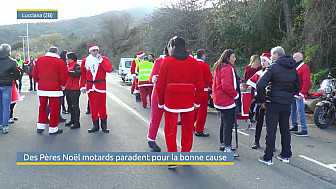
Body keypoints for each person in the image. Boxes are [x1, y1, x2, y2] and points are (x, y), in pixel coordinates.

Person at [156, 36, 203, 168]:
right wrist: (197, 102)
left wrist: (161, 101)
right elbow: (200, 84)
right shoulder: (194, 62)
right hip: (188, 99)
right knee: (188, 129)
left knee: (170, 129)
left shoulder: (167, 61)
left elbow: (160, 84)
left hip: (171, 99)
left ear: (173, 46)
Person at [257, 46, 301, 166]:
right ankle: (286, 154)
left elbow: (260, 85)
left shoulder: (273, 68)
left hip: (273, 102)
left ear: (276, 55)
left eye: (272, 55)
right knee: (285, 129)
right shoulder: (293, 68)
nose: (271, 57)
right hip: (286, 103)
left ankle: (268, 157)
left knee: (271, 131)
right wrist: (289, 95)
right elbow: (298, 86)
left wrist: (263, 100)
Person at [33, 46, 68, 135]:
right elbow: (64, 77)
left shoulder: (40, 60)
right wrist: (63, 86)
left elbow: (34, 74)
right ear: (57, 52)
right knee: (54, 109)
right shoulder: (60, 62)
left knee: (42, 107)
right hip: (55, 88)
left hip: (42, 87)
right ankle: (53, 128)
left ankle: (40, 126)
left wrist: (39, 81)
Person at [212, 49, 240, 158]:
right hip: (226, 100)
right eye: (233, 57)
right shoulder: (227, 68)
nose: (234, 59)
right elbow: (226, 86)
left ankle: (223, 143)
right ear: (228, 58)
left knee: (224, 122)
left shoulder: (219, 66)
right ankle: (228, 147)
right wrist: (235, 95)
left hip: (219, 99)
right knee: (229, 123)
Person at [80, 44, 113, 133]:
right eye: (93, 50)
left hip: (100, 86)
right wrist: (82, 86)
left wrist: (101, 60)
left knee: (102, 106)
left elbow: (109, 69)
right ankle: (95, 125)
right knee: (93, 106)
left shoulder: (103, 59)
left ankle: (104, 125)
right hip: (90, 87)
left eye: (97, 50)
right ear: (90, 51)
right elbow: (82, 75)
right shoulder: (85, 61)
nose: (95, 52)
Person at [245, 53, 271, 149]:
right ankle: (256, 141)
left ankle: (270, 144)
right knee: (259, 122)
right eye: (262, 61)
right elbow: (251, 82)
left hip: (269, 100)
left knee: (270, 124)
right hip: (259, 100)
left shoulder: (272, 72)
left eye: (265, 61)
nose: (263, 63)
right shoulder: (259, 73)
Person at [147, 47, 168, 152]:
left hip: (171, 95)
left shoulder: (177, 61)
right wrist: (153, 78)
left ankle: (171, 144)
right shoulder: (159, 61)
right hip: (158, 94)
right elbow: (151, 77)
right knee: (156, 118)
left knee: (170, 121)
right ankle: (151, 139)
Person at [0, 44, 20, 134]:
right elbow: (17, 76)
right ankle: (4, 126)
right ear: (9, 51)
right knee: (6, 106)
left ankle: (0, 123)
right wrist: (11, 76)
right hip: (7, 85)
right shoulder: (11, 62)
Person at [290, 52, 311, 137]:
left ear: (300, 58)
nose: (293, 59)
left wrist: (302, 93)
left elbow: (307, 82)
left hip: (299, 93)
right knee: (292, 110)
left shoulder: (304, 68)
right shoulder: (294, 67)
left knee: (300, 111)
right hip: (293, 92)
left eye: (295, 57)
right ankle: (294, 125)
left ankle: (304, 129)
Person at [194, 49, 213, 137]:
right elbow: (209, 79)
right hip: (202, 90)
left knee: (194, 109)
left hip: (192, 90)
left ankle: (191, 125)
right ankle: (199, 129)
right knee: (202, 111)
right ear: (203, 55)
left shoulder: (192, 64)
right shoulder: (204, 65)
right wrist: (213, 88)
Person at [64, 52, 81, 129]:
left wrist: (67, 72)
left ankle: (77, 122)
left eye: (68, 59)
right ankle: (72, 120)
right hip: (68, 88)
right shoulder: (67, 66)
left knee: (75, 106)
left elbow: (77, 74)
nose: (67, 60)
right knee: (70, 106)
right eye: (66, 59)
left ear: (72, 59)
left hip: (74, 89)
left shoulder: (76, 65)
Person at [59, 50, 69, 114]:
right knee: (63, 96)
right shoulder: (63, 62)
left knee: (63, 97)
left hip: (63, 82)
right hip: (64, 82)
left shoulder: (61, 61)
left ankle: (64, 108)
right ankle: (64, 108)